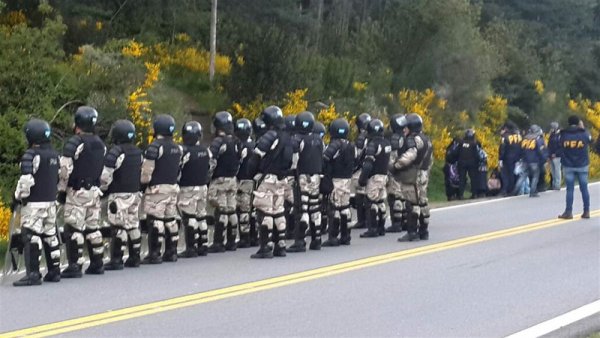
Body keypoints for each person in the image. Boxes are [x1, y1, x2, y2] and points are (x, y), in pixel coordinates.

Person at [11, 119, 61, 286]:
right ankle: (54, 271)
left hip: (34, 204)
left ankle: (33, 273)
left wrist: (17, 197)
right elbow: (61, 178)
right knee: (50, 235)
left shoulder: (31, 155)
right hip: (51, 202)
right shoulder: (55, 155)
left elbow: (26, 181)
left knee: (31, 235)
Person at [58, 106, 106, 278]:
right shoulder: (100, 144)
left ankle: (75, 265)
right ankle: (97, 262)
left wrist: (62, 191)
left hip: (77, 191)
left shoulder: (75, 143)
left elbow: (64, 170)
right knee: (93, 228)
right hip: (94, 191)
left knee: (73, 228)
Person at [247, 106, 295, 258]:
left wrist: (251, 173)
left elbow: (256, 157)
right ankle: (280, 245)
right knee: (279, 210)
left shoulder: (270, 135)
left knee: (264, 211)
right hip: (282, 179)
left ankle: (265, 246)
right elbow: (292, 161)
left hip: (267, 178)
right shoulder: (288, 137)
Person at [100, 120, 143, 270]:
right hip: (135, 193)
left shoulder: (116, 152)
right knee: (132, 224)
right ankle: (135, 257)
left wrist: (102, 189)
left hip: (119, 194)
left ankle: (117, 259)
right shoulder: (138, 152)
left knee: (118, 225)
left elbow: (106, 175)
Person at [140, 114, 182, 264]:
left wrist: (142, 186)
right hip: (173, 188)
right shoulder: (177, 148)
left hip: (157, 189)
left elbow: (146, 172)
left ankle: (155, 253)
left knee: (155, 220)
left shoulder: (155, 147)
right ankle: (172, 252)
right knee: (171, 220)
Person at [390, 113, 430, 242]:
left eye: (406, 127)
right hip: (423, 173)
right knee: (423, 202)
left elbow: (411, 155)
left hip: (414, 174)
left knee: (412, 203)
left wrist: (396, 165)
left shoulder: (413, 139)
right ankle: (424, 231)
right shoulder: (426, 139)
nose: (404, 129)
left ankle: (412, 232)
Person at [288, 112, 323, 252]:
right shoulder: (319, 139)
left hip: (302, 177)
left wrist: (291, 174)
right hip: (316, 177)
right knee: (315, 207)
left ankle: (300, 241)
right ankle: (317, 239)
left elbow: (294, 161)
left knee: (302, 209)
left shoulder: (297, 139)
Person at [177, 121, 212, 258]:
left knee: (189, 217)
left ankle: (191, 247)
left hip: (188, 187)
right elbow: (210, 167)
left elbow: (178, 168)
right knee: (201, 216)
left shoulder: (184, 151)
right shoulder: (206, 151)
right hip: (203, 187)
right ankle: (203, 245)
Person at [207, 111, 241, 252]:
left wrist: (208, 177)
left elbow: (211, 161)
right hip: (233, 179)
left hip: (220, 179)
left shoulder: (218, 142)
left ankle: (219, 242)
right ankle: (232, 241)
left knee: (221, 210)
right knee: (231, 209)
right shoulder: (236, 141)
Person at [321, 118, 355, 246]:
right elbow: (356, 162)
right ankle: (346, 236)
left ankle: (333, 237)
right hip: (347, 180)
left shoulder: (335, 144)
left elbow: (325, 158)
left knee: (334, 208)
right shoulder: (351, 145)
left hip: (336, 179)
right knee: (345, 207)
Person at [358, 119, 391, 238]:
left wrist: (362, 179)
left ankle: (372, 229)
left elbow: (368, 164)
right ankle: (381, 227)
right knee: (381, 201)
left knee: (371, 202)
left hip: (374, 176)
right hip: (384, 176)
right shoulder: (387, 143)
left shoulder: (372, 144)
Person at [558, 116, 592, 219]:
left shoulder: (563, 135)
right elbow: (590, 140)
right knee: (584, 188)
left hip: (568, 164)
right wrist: (583, 128)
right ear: (578, 123)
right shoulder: (584, 134)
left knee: (570, 189)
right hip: (582, 164)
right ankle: (586, 211)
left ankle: (568, 212)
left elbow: (560, 146)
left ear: (568, 123)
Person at [234, 118, 255, 248]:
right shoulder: (255, 145)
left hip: (243, 181)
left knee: (244, 210)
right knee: (252, 209)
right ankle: (254, 235)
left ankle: (245, 237)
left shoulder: (241, 147)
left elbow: (237, 164)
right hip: (253, 181)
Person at [385, 114, 407, 233]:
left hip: (396, 170)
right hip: (404, 169)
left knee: (395, 196)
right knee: (402, 196)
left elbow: (392, 156)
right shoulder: (405, 137)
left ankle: (397, 223)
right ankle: (404, 220)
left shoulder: (395, 138)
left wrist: (390, 170)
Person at [352, 113, 372, 229]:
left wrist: (353, 167)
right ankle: (369, 220)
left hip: (361, 168)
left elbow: (357, 154)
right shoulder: (374, 135)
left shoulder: (362, 137)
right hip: (371, 168)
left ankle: (362, 220)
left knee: (360, 194)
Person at [519, 125, 547, 197]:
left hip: (526, 160)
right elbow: (540, 151)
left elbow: (522, 149)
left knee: (523, 176)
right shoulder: (537, 140)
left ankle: (515, 190)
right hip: (534, 160)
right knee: (535, 176)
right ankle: (532, 192)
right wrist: (544, 159)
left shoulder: (525, 139)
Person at [283, 115, 298, 240]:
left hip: (287, 175)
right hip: (296, 175)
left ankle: (289, 230)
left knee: (285, 205)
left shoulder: (286, 141)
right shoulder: (298, 140)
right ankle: (292, 229)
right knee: (294, 203)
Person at [499, 122, 522, 196]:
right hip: (517, 158)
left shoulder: (505, 137)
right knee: (515, 174)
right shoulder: (518, 136)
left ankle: (507, 190)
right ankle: (515, 189)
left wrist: (500, 159)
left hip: (507, 158)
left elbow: (503, 148)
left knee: (506, 175)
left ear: (506, 128)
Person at [457, 129, 479, 199]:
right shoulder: (474, 143)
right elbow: (476, 154)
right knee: (473, 178)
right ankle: (474, 194)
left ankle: (460, 195)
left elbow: (456, 152)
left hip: (462, 163)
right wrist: (478, 162)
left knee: (462, 179)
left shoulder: (461, 142)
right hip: (472, 163)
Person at [548, 122, 562, 190]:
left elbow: (561, 146)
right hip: (551, 155)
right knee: (552, 171)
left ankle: (557, 184)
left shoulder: (560, 135)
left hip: (557, 156)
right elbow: (549, 145)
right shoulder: (552, 135)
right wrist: (549, 154)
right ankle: (553, 184)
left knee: (557, 170)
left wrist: (555, 154)